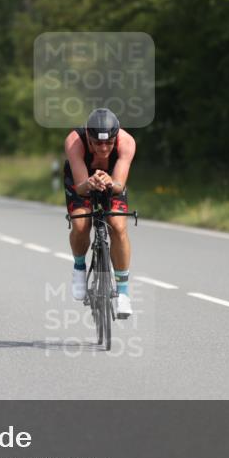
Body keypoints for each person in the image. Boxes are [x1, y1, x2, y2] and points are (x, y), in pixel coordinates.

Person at [64, 108, 136, 318]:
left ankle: (123, 292)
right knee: (80, 224)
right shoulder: (74, 141)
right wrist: (89, 182)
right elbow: (80, 188)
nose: (104, 148)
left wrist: (110, 182)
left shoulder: (127, 142)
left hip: (112, 182)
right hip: (81, 181)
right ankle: (79, 268)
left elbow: (119, 184)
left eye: (109, 143)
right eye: (97, 143)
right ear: (88, 136)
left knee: (118, 226)